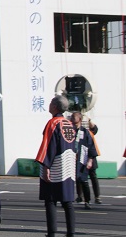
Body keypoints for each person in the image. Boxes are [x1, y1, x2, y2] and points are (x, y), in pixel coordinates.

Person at [36, 95, 76, 237]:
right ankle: (71, 232)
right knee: (67, 202)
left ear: (54, 107)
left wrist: (46, 166)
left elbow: (48, 146)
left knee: (51, 200)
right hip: (69, 165)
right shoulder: (68, 123)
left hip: (56, 166)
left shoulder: (53, 123)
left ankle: (52, 232)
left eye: (51, 102)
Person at [70, 112, 97, 209]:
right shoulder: (69, 131)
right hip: (70, 160)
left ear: (80, 120)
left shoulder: (85, 132)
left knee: (84, 181)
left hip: (82, 160)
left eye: (74, 118)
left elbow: (91, 147)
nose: (72, 119)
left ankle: (87, 201)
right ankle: (69, 199)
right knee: (69, 181)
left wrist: (90, 160)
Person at [85, 121, 101, 204]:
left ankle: (97, 196)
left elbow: (94, 127)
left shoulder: (90, 132)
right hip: (81, 156)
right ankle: (81, 196)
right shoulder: (77, 130)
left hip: (90, 155)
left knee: (93, 176)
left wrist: (88, 119)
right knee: (80, 178)